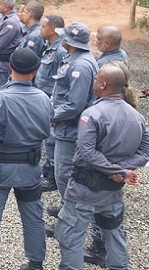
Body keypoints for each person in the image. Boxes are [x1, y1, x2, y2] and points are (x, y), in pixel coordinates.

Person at [55, 64, 149, 270]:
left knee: (70, 236)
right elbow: (145, 153)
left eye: (96, 78)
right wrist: (120, 170)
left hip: (84, 191)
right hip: (112, 192)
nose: (93, 81)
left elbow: (87, 152)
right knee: (114, 235)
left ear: (103, 85)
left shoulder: (92, 114)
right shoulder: (136, 116)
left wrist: (116, 170)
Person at [0, 48, 53, 270]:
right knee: (33, 217)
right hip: (30, 167)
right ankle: (36, 263)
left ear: (10, 67)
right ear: (35, 71)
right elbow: (46, 130)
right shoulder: (44, 100)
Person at [48, 22, 99, 231]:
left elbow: (74, 105)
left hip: (70, 129)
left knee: (65, 174)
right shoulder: (74, 59)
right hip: (66, 127)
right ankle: (67, 210)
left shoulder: (81, 66)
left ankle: (69, 221)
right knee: (65, 174)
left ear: (69, 41)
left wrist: (51, 115)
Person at [35, 15, 67, 193]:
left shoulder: (61, 51)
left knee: (51, 137)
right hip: (44, 97)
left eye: (43, 26)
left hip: (51, 98)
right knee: (45, 136)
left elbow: (61, 80)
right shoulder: (49, 46)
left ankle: (53, 175)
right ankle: (49, 168)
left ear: (53, 30)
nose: (40, 29)